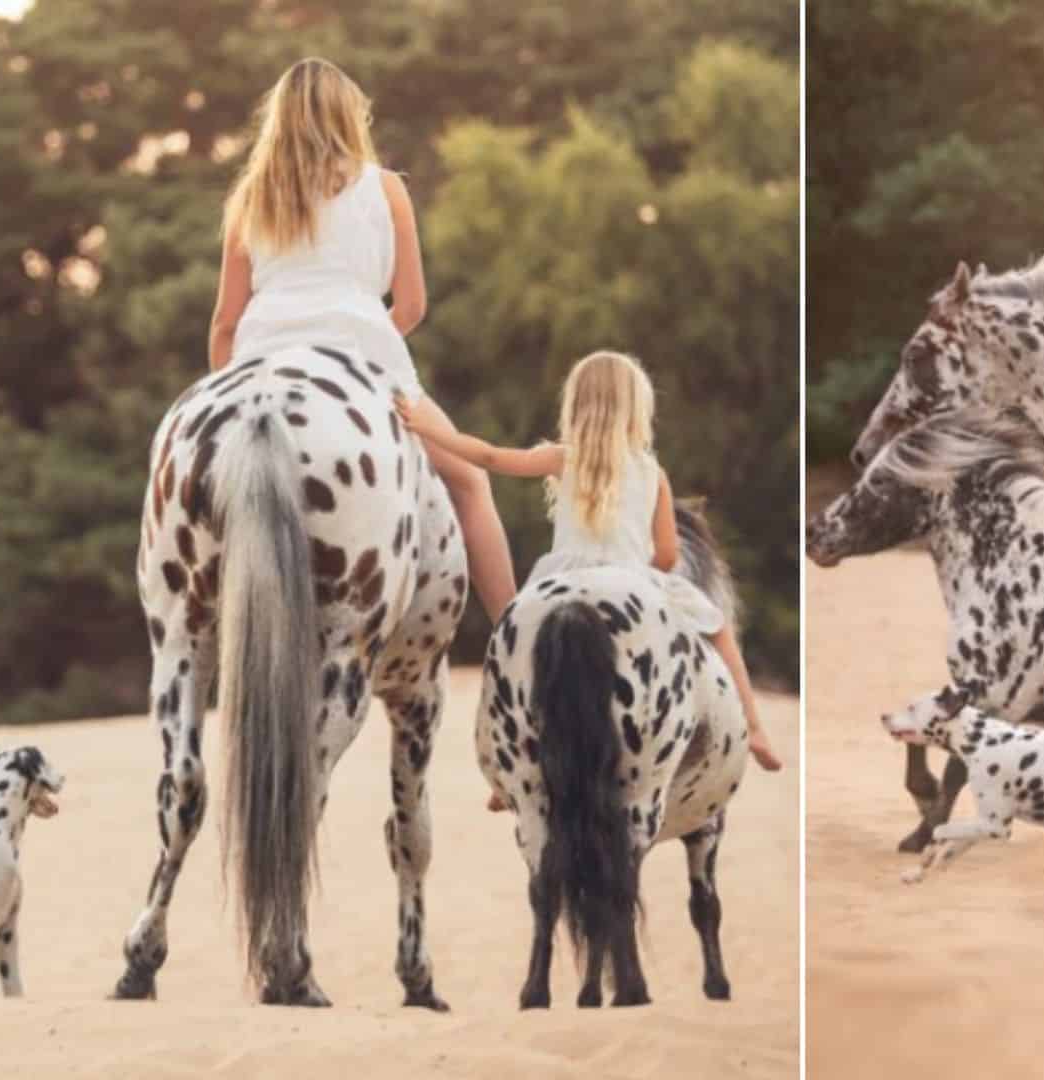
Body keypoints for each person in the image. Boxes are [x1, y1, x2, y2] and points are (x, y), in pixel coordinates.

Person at [205, 56, 517, 620]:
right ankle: (518, 636)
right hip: (362, 359)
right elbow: (412, 305)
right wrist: (357, 338)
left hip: (260, 361)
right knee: (470, 481)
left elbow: (225, 322)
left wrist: (227, 396)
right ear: (349, 116)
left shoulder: (249, 198)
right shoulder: (386, 189)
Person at [398, 350, 785, 778]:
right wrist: (648, 574)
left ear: (575, 404)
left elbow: (488, 456)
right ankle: (754, 728)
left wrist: (429, 428)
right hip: (634, 573)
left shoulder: (562, 458)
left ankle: (509, 756)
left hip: (564, 577)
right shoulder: (652, 471)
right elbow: (669, 553)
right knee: (718, 629)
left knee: (510, 650)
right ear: (638, 409)